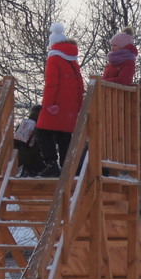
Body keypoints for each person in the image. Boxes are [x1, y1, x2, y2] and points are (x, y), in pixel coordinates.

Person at [33, 22, 85, 178]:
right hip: (70, 108)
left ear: (53, 43)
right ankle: (69, 167)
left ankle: (51, 165)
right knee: (64, 135)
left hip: (55, 106)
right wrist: (77, 108)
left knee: (41, 132)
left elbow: (51, 84)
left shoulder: (54, 59)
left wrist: (48, 104)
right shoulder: (73, 61)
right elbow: (80, 86)